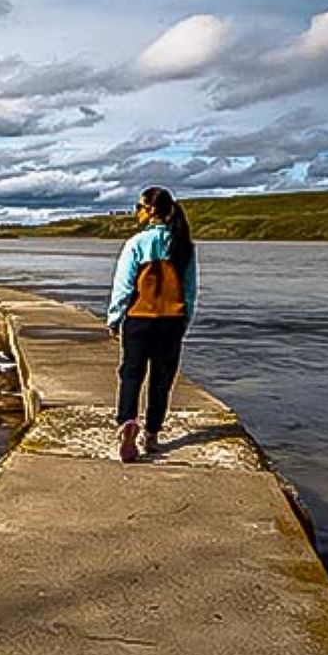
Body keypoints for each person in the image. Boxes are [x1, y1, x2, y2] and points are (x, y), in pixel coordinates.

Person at [106, 186, 197, 463]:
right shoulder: (184, 245)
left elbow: (123, 287)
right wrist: (185, 320)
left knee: (131, 374)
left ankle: (127, 422)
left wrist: (114, 319)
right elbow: (190, 291)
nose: (137, 212)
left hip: (139, 319)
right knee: (162, 379)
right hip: (172, 320)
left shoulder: (136, 243)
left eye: (139, 207)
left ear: (150, 211)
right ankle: (152, 434)